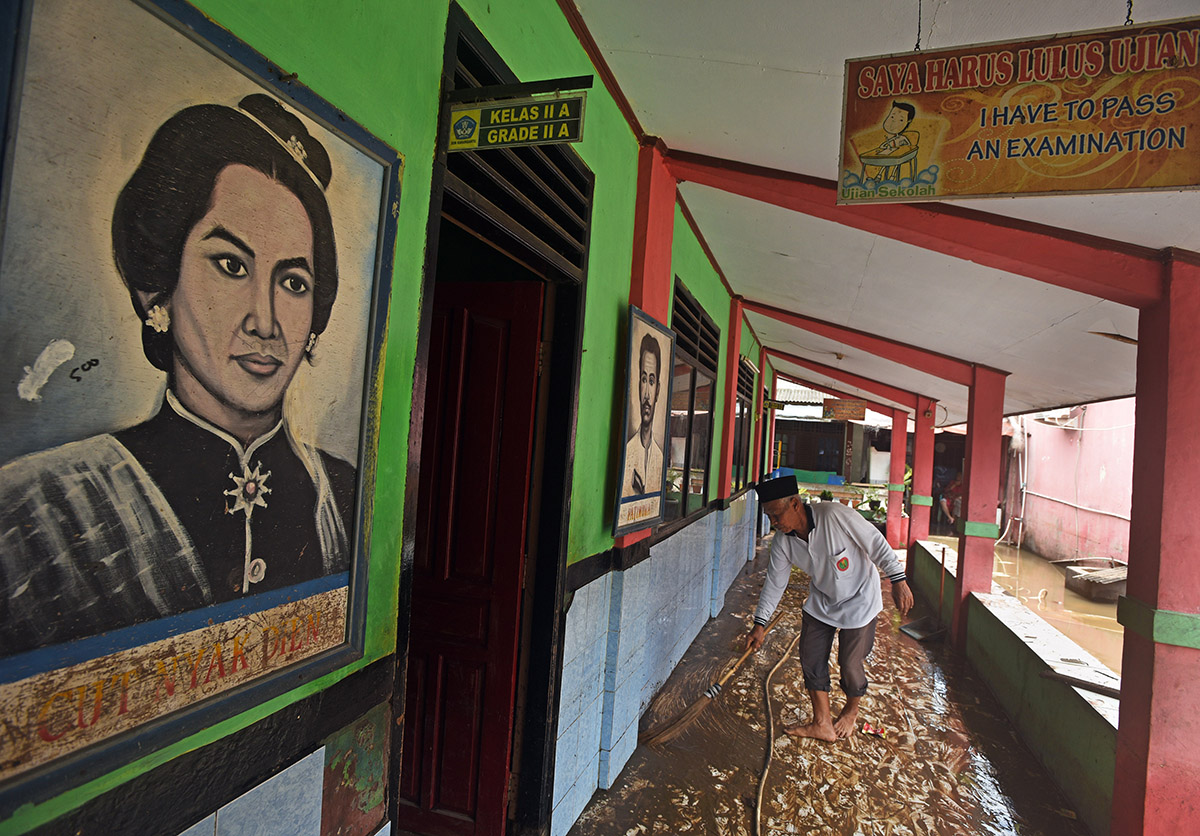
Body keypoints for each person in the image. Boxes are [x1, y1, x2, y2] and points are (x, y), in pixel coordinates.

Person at [0, 94, 355, 656]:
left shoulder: (345, 496)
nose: (265, 322)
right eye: (231, 266)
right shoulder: (35, 515)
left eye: (293, 282)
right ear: (157, 285)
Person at [744, 474, 913, 741]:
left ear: (795, 504)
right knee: (811, 657)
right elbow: (775, 584)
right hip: (822, 600)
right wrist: (760, 624)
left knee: (849, 663)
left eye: (776, 515)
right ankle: (822, 723)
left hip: (860, 600)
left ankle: (851, 710)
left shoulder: (835, 516)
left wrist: (898, 578)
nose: (773, 523)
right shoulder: (783, 542)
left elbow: (875, 542)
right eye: (769, 517)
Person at [621, 331, 664, 496]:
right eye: (644, 380)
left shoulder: (660, 458)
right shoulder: (627, 451)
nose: (646, 394)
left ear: (658, 390)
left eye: (651, 382)